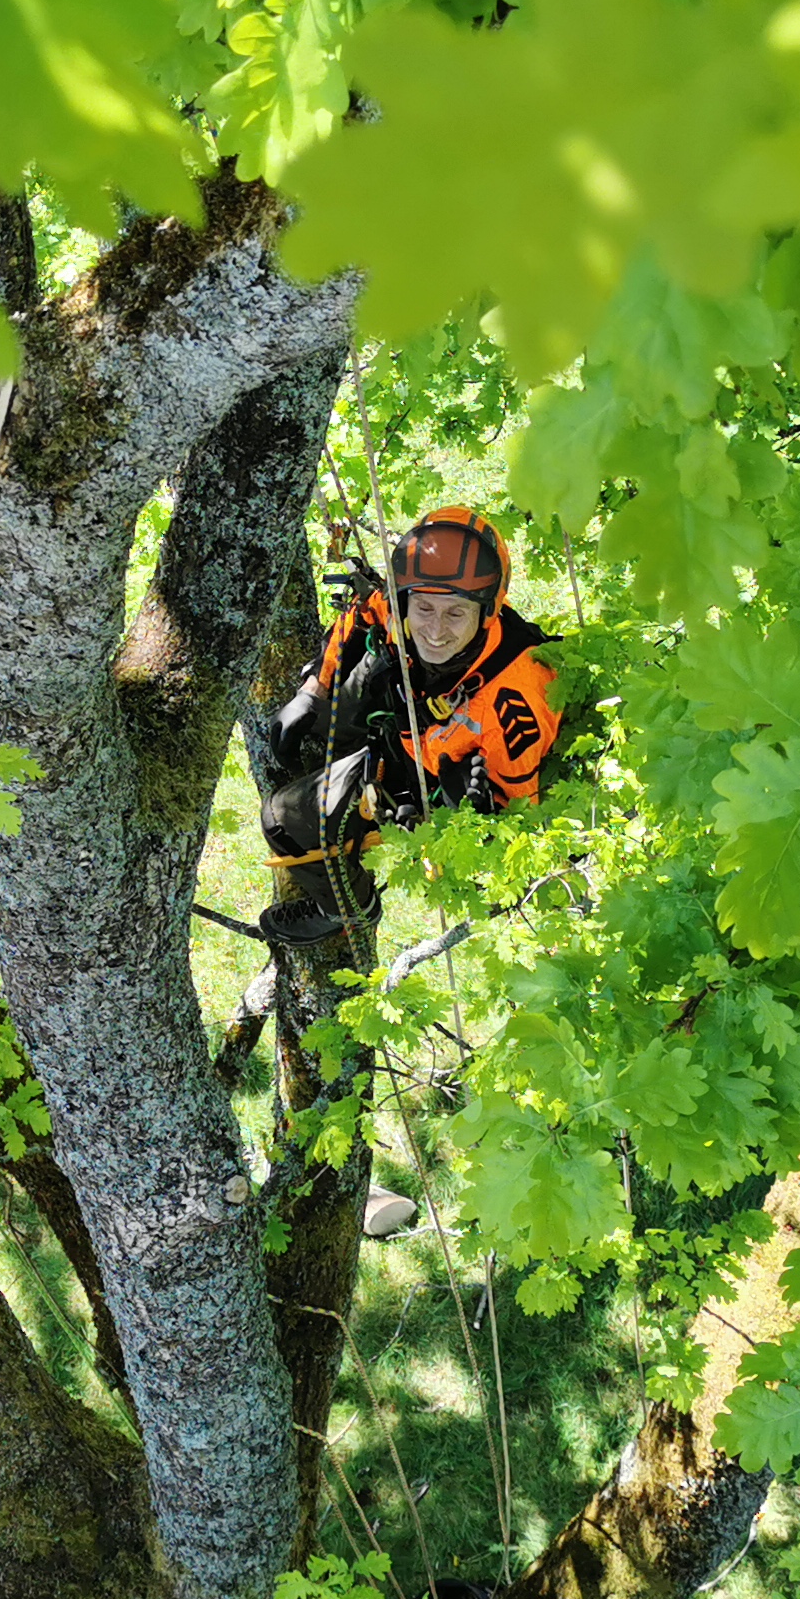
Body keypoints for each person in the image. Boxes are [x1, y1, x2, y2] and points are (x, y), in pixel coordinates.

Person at [249, 505, 563, 1235]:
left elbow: (517, 817)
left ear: (492, 607)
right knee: (317, 727)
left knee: (289, 819)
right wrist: (313, 695)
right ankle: (349, 771)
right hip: (413, 719)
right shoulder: (396, 605)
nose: (437, 626)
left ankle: (348, 896)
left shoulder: (518, 692)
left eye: (457, 612)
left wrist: (462, 823)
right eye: (424, 607)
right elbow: (356, 625)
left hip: (441, 784)